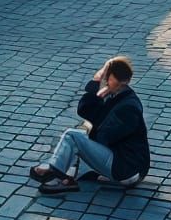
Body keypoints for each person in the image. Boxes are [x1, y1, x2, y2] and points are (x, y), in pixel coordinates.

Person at [29, 57, 150, 193]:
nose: (106, 81)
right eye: (106, 77)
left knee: (73, 136)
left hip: (127, 169)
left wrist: (89, 128)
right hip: (119, 159)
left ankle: (55, 176)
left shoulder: (129, 106)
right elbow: (84, 111)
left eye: (110, 78)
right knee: (75, 138)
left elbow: (103, 137)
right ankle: (60, 173)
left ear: (124, 81)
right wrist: (96, 92)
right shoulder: (115, 96)